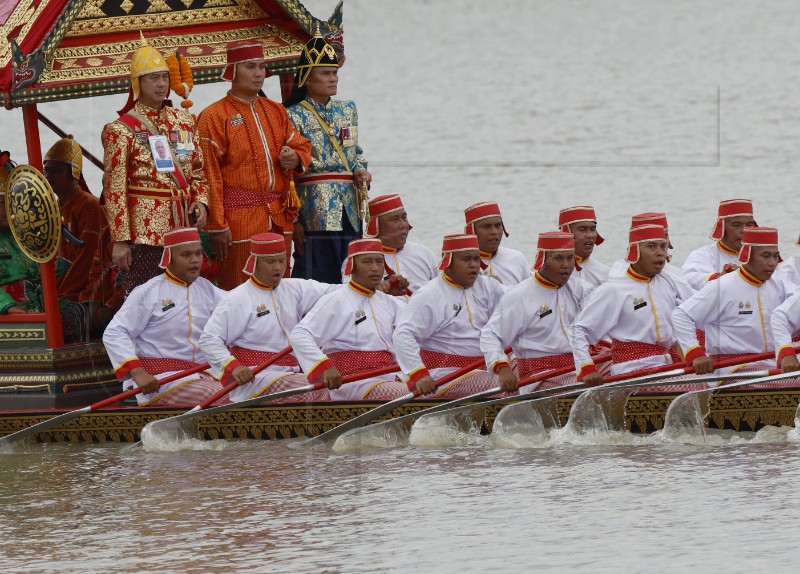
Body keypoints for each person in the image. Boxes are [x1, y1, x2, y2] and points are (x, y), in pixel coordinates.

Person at [197, 41, 312, 290]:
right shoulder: (214, 116)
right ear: (232, 71)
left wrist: (295, 157)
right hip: (237, 218)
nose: (259, 73)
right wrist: (217, 225)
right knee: (239, 287)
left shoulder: (275, 110)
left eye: (261, 67)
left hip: (280, 216)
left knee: (280, 286)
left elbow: (301, 145)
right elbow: (209, 175)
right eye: (250, 67)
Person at [101, 34, 209, 296]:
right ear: (137, 83)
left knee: (187, 298)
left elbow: (198, 170)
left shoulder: (184, 120)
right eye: (153, 78)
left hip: (184, 226)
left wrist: (201, 201)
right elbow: (114, 189)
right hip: (146, 233)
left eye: (164, 77)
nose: (162, 84)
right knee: (147, 299)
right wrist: (121, 241)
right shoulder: (121, 130)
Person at [199, 232, 335, 403]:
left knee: (332, 387)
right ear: (254, 263)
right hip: (256, 376)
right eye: (270, 262)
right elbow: (209, 339)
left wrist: (364, 287)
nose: (278, 268)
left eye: (281, 260)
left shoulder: (294, 288)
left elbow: (333, 292)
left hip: (289, 373)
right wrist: (233, 366)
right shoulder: (238, 298)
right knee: (316, 389)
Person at [285, 30, 371, 284]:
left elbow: (354, 153)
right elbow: (287, 174)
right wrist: (294, 220)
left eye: (334, 73)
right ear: (306, 78)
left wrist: (360, 170)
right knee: (318, 278)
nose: (333, 79)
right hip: (314, 206)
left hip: (350, 206)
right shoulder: (291, 115)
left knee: (353, 271)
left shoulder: (347, 110)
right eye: (325, 73)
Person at [103, 228, 224, 406]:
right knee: (220, 394)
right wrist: (138, 373)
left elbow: (240, 310)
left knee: (246, 389)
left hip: (204, 374)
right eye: (186, 254)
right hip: (159, 380)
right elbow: (115, 333)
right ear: (169, 257)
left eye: (198, 253)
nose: (195, 260)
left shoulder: (208, 289)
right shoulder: (148, 292)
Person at [569, 224, 698, 387]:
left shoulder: (670, 281)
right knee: (697, 387)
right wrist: (586, 367)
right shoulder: (614, 288)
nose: (660, 252)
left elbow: (701, 311)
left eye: (663, 246)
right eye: (651, 246)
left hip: (668, 363)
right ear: (634, 251)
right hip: (633, 369)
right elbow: (578, 330)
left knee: (709, 382)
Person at [290, 239, 410, 400]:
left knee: (432, 390)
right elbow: (300, 334)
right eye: (367, 262)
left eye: (379, 261)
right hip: (351, 380)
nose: (375, 268)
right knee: (413, 394)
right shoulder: (336, 299)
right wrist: (323, 366)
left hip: (389, 376)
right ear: (351, 266)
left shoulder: (391, 303)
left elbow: (415, 333)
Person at [673, 227, 794, 385]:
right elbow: (681, 315)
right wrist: (694, 352)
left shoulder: (780, 286)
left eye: (775, 256)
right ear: (747, 256)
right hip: (730, 368)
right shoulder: (722, 287)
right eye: (766, 256)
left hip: (770, 364)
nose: (772, 263)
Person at [393, 234, 507, 398]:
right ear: (448, 261)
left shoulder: (488, 286)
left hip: (483, 367)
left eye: (476, 259)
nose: (474, 265)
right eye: (466, 259)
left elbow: (519, 303)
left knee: (525, 370)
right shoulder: (430, 294)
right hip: (444, 374)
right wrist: (418, 373)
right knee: (507, 385)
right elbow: (403, 335)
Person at [481, 232, 585, 394]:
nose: (566, 265)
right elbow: (490, 335)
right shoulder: (520, 296)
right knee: (594, 386)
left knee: (621, 375)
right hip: (539, 375)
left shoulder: (578, 288)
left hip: (578, 365)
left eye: (570, 258)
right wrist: (502, 367)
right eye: (558, 258)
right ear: (542, 259)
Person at [43, 135, 107, 302]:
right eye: (46, 170)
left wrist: (61, 295)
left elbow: (88, 259)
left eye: (56, 170)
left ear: (74, 173)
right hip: (60, 290)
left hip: (84, 292)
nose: (48, 176)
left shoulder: (89, 206)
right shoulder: (52, 208)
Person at [343, 194, 438, 295]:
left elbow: (444, 286)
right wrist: (375, 289)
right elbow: (349, 291)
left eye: (404, 218)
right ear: (376, 226)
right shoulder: (358, 258)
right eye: (395, 220)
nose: (403, 225)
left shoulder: (424, 253)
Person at [681, 199, 756, 289]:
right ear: (722, 227)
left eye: (749, 224)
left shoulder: (762, 257)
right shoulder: (703, 255)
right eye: (736, 225)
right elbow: (688, 279)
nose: (744, 231)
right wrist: (721, 277)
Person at [464, 202, 529, 286]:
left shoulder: (516, 258)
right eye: (486, 227)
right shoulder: (459, 264)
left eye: (498, 225)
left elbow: (531, 294)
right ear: (471, 231)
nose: (494, 232)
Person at [608, 213, 683, 280]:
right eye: (651, 245)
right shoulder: (618, 275)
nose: (662, 240)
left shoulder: (675, 274)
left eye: (665, 236)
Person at [558, 205, 609, 294]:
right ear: (566, 233)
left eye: (593, 229)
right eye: (582, 229)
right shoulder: (550, 273)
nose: (590, 235)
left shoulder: (606, 274)